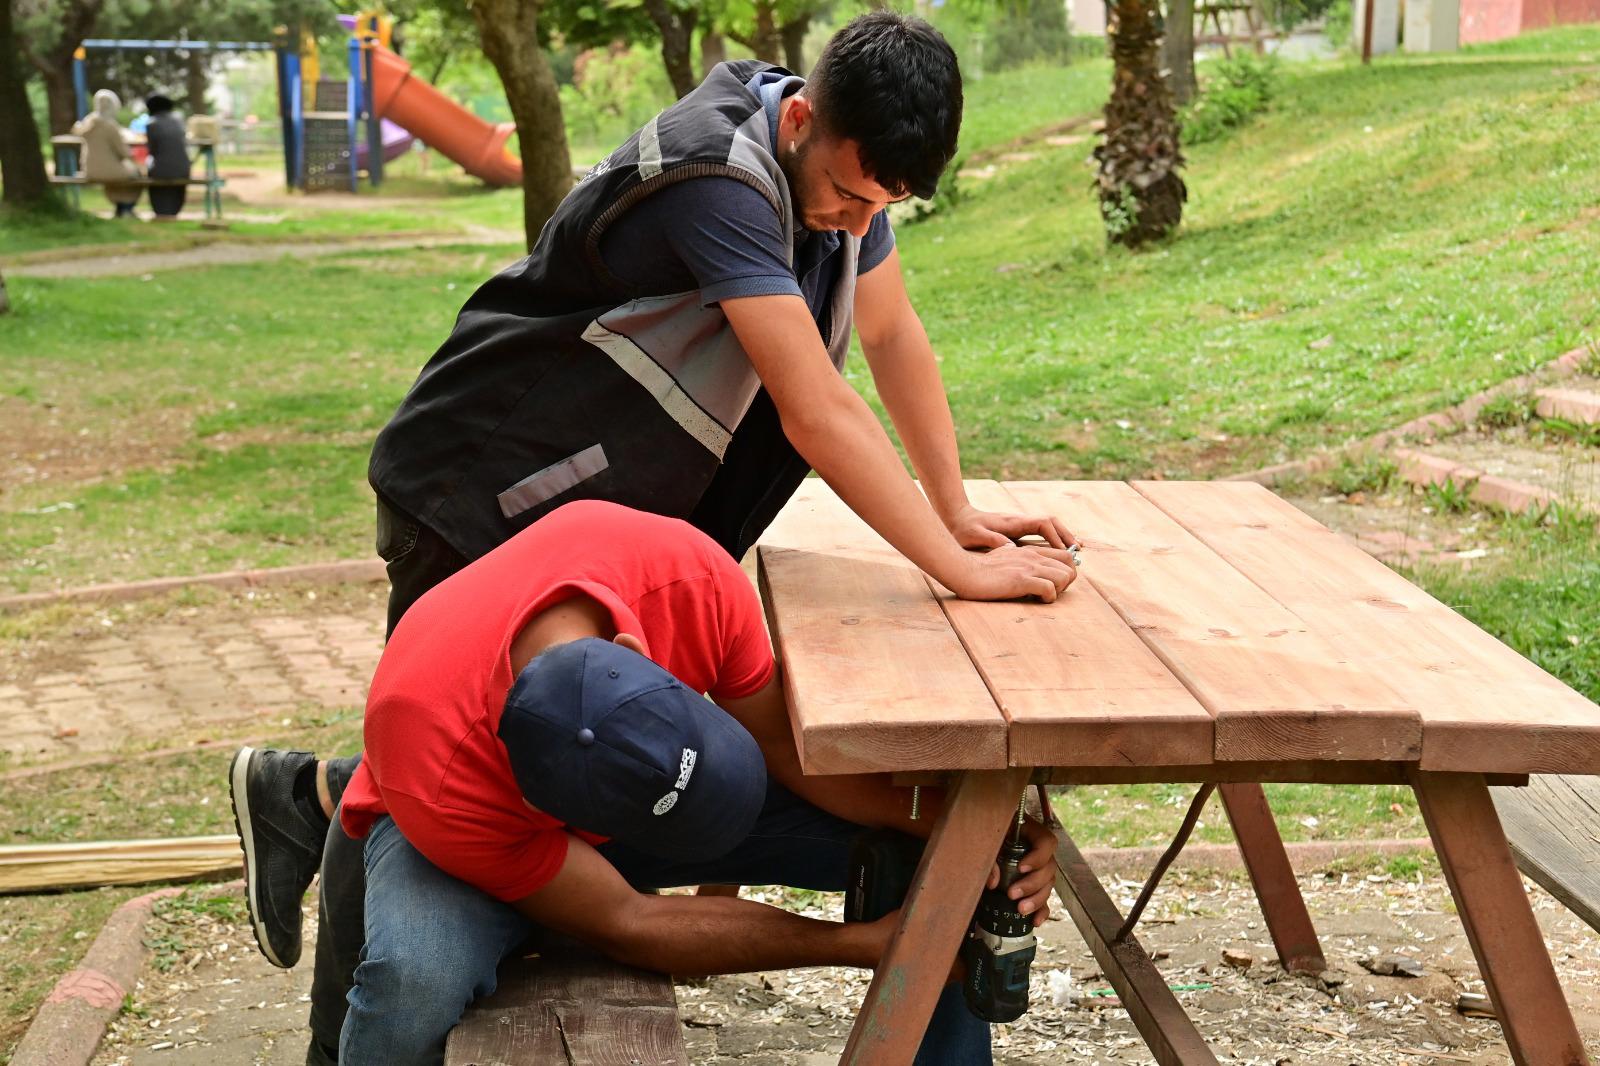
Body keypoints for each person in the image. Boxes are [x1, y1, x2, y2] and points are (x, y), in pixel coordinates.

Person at [231, 1, 1080, 1015]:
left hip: (584, 509)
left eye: (878, 209)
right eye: (851, 197)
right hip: (483, 491)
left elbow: (893, 338)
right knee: (426, 781)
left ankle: (302, 794)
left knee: (534, 745)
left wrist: (957, 510)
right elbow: (816, 406)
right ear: (803, 118)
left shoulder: (838, 165)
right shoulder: (716, 182)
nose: (858, 225)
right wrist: (957, 566)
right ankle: (346, 1012)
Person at [232, 501, 1058, 1065]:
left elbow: (787, 749)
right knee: (413, 981)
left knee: (947, 872)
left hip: (582, 796)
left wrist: (973, 830)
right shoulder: (438, 764)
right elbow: (625, 918)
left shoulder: (683, 576)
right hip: (465, 832)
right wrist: (849, 947)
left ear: (640, 658)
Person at [71, 90, 141, 218]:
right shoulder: (110, 125)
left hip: (89, 169)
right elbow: (124, 152)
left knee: (121, 175)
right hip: (110, 170)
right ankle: (126, 208)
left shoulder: (88, 122)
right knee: (136, 174)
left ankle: (120, 208)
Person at [143, 95, 191, 221]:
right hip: (184, 168)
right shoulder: (179, 121)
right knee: (174, 177)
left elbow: (152, 150)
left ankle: (160, 212)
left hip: (161, 169)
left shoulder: (151, 123)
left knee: (152, 170)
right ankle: (173, 212)